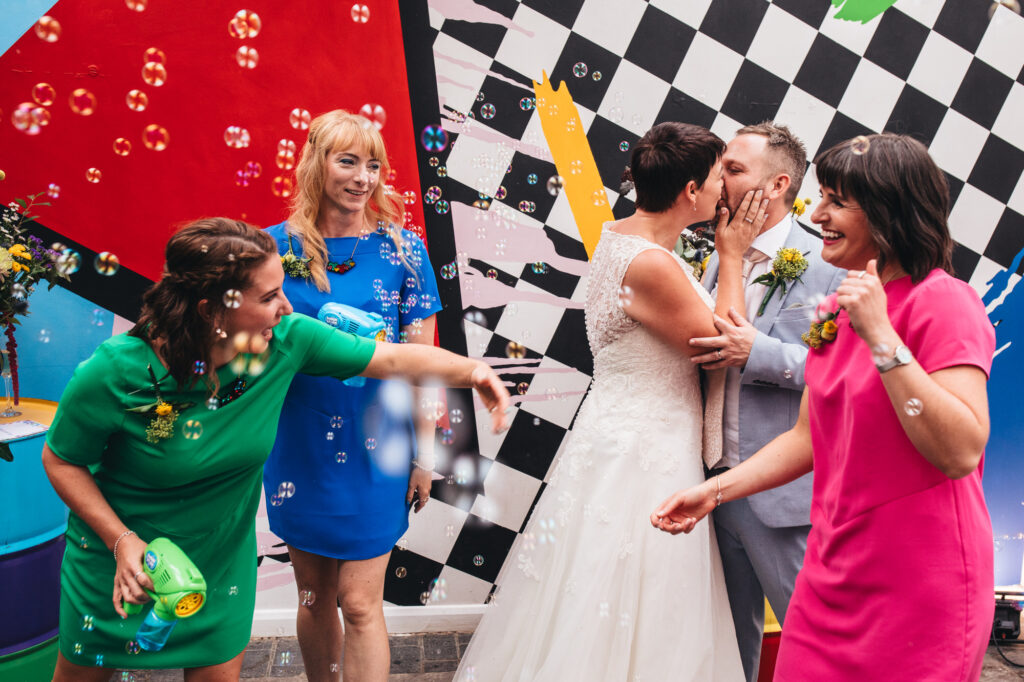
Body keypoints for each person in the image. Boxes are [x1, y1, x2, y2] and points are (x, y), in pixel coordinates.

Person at [41, 217, 510, 681]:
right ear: (211, 310)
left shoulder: (287, 343)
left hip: (220, 562)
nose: (286, 307)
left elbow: (392, 357)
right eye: (268, 297)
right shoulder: (114, 372)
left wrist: (474, 373)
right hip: (120, 565)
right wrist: (121, 541)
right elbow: (61, 459)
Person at [653, 134, 995, 681]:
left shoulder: (944, 301)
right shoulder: (833, 310)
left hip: (918, 573)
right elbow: (807, 439)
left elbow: (959, 450)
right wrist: (713, 491)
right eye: (821, 197)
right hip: (833, 564)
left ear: (887, 209)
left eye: (837, 201)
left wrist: (883, 337)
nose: (818, 214)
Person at [456, 122, 768, 681]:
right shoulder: (649, 263)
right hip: (647, 447)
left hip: (621, 430)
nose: (728, 189)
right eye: (721, 176)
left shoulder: (620, 236)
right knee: (635, 587)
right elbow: (724, 343)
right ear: (689, 192)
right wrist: (733, 254)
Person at [260, 109, 443, 681]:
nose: (364, 177)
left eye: (373, 165)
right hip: (298, 444)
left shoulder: (404, 251)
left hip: (376, 446)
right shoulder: (270, 248)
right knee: (314, 596)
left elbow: (423, 367)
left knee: (360, 603)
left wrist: (425, 454)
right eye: (348, 161)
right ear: (316, 163)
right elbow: (247, 348)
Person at [690, 121, 844, 681]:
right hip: (715, 482)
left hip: (784, 492)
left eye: (733, 169)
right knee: (729, 649)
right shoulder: (716, 259)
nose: (718, 179)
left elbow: (842, 373)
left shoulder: (827, 262)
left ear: (778, 184)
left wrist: (758, 353)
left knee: (816, 642)